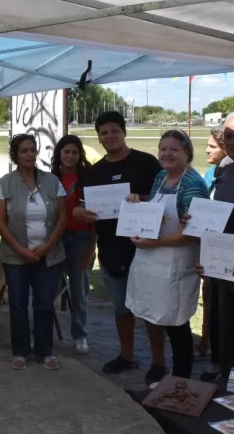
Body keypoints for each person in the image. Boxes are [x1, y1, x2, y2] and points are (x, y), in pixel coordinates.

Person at [73, 111, 165, 384]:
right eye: (104, 133)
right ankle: (127, 356)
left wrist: (141, 200)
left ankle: (159, 362)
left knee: (149, 309)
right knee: (121, 307)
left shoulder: (146, 163)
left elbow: (164, 199)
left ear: (124, 132)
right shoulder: (94, 172)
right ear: (99, 138)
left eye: (114, 131)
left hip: (145, 247)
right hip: (111, 248)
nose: (110, 136)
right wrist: (81, 215)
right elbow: (83, 209)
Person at [124, 129, 209, 379]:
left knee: (177, 323)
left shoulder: (193, 184)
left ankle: (181, 378)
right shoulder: (161, 177)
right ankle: (164, 371)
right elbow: (156, 213)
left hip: (177, 264)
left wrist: (155, 242)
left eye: (174, 149)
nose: (167, 154)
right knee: (158, 315)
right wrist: (137, 206)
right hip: (154, 263)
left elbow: (193, 232)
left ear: (187, 153)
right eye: (163, 149)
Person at [0, 135, 67, 370]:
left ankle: (45, 351)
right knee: (18, 304)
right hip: (16, 256)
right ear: (15, 155)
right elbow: (0, 224)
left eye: (33, 150)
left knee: (44, 304)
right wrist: (21, 251)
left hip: (49, 255)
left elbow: (63, 218)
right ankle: (21, 351)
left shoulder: (53, 181)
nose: (30, 154)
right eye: (24, 150)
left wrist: (46, 247)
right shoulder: (4, 184)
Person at [204, 108, 234, 382]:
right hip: (221, 256)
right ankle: (223, 372)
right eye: (227, 136)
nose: (231, 142)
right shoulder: (224, 167)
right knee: (223, 316)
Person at [51, 134, 97, 354]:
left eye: (74, 152)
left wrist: (91, 246)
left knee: (79, 291)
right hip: (56, 239)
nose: (70, 156)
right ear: (59, 153)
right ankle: (44, 333)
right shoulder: (51, 178)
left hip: (81, 239)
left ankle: (80, 335)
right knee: (48, 289)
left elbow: (96, 216)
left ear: (80, 155)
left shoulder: (88, 178)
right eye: (66, 152)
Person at [198, 126, 226, 358]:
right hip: (208, 241)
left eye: (212, 146)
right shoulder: (210, 173)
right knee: (208, 292)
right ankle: (205, 339)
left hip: (226, 247)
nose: (207, 150)